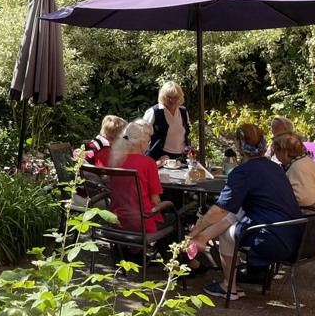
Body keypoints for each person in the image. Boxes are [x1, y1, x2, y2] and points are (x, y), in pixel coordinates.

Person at [187, 124, 303, 301]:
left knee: (227, 234)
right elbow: (234, 211)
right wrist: (201, 236)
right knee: (238, 215)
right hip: (298, 238)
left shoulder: (243, 172)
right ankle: (203, 240)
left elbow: (220, 210)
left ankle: (228, 287)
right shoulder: (275, 168)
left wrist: (193, 232)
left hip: (276, 241)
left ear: (239, 145)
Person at [106, 120, 206, 274]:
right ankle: (183, 263)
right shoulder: (148, 163)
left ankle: (136, 253)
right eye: (148, 141)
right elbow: (156, 201)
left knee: (162, 219)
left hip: (116, 219)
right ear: (142, 143)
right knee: (173, 218)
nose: (149, 144)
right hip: (140, 222)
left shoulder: (115, 161)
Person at [272, 133, 315, 211]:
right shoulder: (306, 160)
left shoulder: (298, 167)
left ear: (284, 152)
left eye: (275, 150)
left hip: (309, 219)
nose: (274, 154)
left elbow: (305, 199)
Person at [143, 81, 191, 163]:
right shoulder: (155, 111)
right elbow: (142, 133)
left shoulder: (183, 111)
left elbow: (187, 133)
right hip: (160, 156)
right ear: (163, 97)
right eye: (169, 97)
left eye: (175, 97)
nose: (172, 100)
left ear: (180, 97)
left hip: (181, 156)